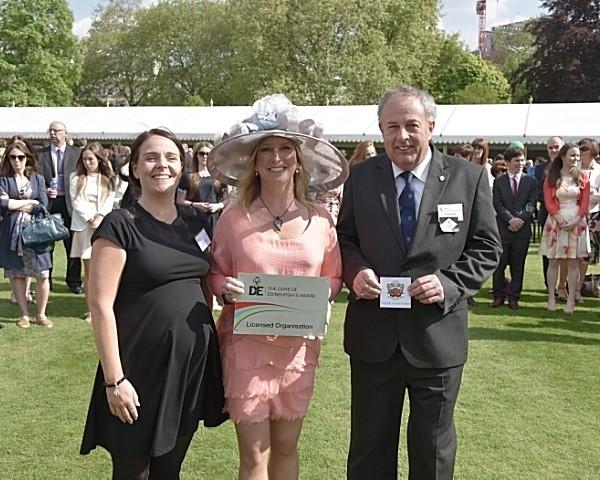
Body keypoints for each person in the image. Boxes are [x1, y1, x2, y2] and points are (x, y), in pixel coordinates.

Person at [337, 85, 501, 480]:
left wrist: (448, 284)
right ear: (380, 129)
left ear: (431, 125)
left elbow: (486, 247)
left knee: (432, 451)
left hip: (436, 338)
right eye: (392, 126)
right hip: (373, 338)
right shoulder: (359, 178)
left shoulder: (469, 178)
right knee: (369, 450)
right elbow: (344, 240)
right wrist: (355, 271)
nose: (402, 136)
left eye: (412, 125)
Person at [206, 94, 346, 480]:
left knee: (286, 447)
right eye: (266, 149)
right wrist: (225, 288)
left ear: (299, 159)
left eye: (286, 148)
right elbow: (214, 271)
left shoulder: (320, 221)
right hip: (246, 348)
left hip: (297, 350)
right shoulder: (233, 219)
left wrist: (320, 297)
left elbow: (333, 277)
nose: (276, 157)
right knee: (254, 457)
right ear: (254, 160)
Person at [80, 128, 228, 478]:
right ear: (134, 168)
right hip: (138, 368)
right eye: (150, 157)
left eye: (171, 157)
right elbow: (100, 306)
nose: (161, 165)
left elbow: (205, 283)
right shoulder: (120, 225)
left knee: (169, 470)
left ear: (183, 167)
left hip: (189, 367)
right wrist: (115, 380)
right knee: (134, 470)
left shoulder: (195, 222)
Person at [0, 139, 53, 328]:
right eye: (13, 157)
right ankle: (24, 315)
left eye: (21, 157)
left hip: (37, 233)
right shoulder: (4, 180)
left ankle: (41, 313)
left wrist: (16, 203)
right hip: (12, 233)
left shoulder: (37, 178)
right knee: (17, 274)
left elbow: (43, 205)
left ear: (27, 158)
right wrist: (30, 203)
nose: (17, 161)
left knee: (43, 274)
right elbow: (3, 205)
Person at [540, 143, 590, 314]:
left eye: (577, 156)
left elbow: (584, 202)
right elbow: (548, 201)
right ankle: (551, 298)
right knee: (553, 261)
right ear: (563, 157)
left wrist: (576, 219)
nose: (576, 159)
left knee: (574, 262)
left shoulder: (583, 176)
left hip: (577, 221)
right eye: (572, 155)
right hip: (555, 221)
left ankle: (570, 300)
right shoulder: (552, 176)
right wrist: (559, 218)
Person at [69, 143, 116, 324]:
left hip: (103, 228)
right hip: (84, 228)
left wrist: (101, 217)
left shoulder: (108, 179)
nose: (88, 163)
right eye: (85, 159)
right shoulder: (76, 178)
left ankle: (105, 306)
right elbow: (77, 201)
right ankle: (90, 310)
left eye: (91, 159)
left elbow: (109, 200)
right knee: (89, 271)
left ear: (99, 159)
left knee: (104, 270)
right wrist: (91, 218)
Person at [37, 120, 83, 293]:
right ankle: (46, 280)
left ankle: (74, 281)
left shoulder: (77, 153)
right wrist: (45, 190)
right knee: (47, 244)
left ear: (66, 133)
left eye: (56, 131)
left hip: (70, 204)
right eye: (50, 130)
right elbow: (36, 176)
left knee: (72, 245)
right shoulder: (40, 154)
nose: (53, 134)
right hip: (49, 204)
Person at [490, 147, 537, 309]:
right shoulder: (499, 181)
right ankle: (498, 295)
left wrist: (519, 220)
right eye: (517, 160)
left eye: (522, 160)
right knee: (499, 264)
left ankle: (514, 297)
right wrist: (510, 220)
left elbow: (531, 204)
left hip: (522, 231)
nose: (521, 163)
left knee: (518, 265)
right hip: (503, 229)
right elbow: (497, 203)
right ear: (508, 162)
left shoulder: (531, 181)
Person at [176, 141, 225, 238]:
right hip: (194, 222)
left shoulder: (218, 176)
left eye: (208, 154)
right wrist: (196, 205)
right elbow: (179, 200)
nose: (205, 156)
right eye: (202, 153)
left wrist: (218, 206)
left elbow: (227, 199)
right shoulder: (188, 176)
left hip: (215, 222)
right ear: (196, 156)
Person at [536, 136, 564, 289]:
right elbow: (538, 192)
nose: (553, 150)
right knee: (548, 252)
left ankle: (563, 284)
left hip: (568, 216)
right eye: (550, 147)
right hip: (547, 215)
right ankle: (549, 285)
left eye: (557, 147)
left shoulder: (569, 167)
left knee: (567, 251)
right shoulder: (540, 168)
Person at [577, 138, 600, 294]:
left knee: (590, 252)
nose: (581, 153)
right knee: (579, 253)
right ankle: (574, 287)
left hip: (596, 215)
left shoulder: (599, 170)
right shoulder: (573, 169)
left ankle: (585, 286)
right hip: (577, 215)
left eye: (584, 149)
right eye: (580, 149)